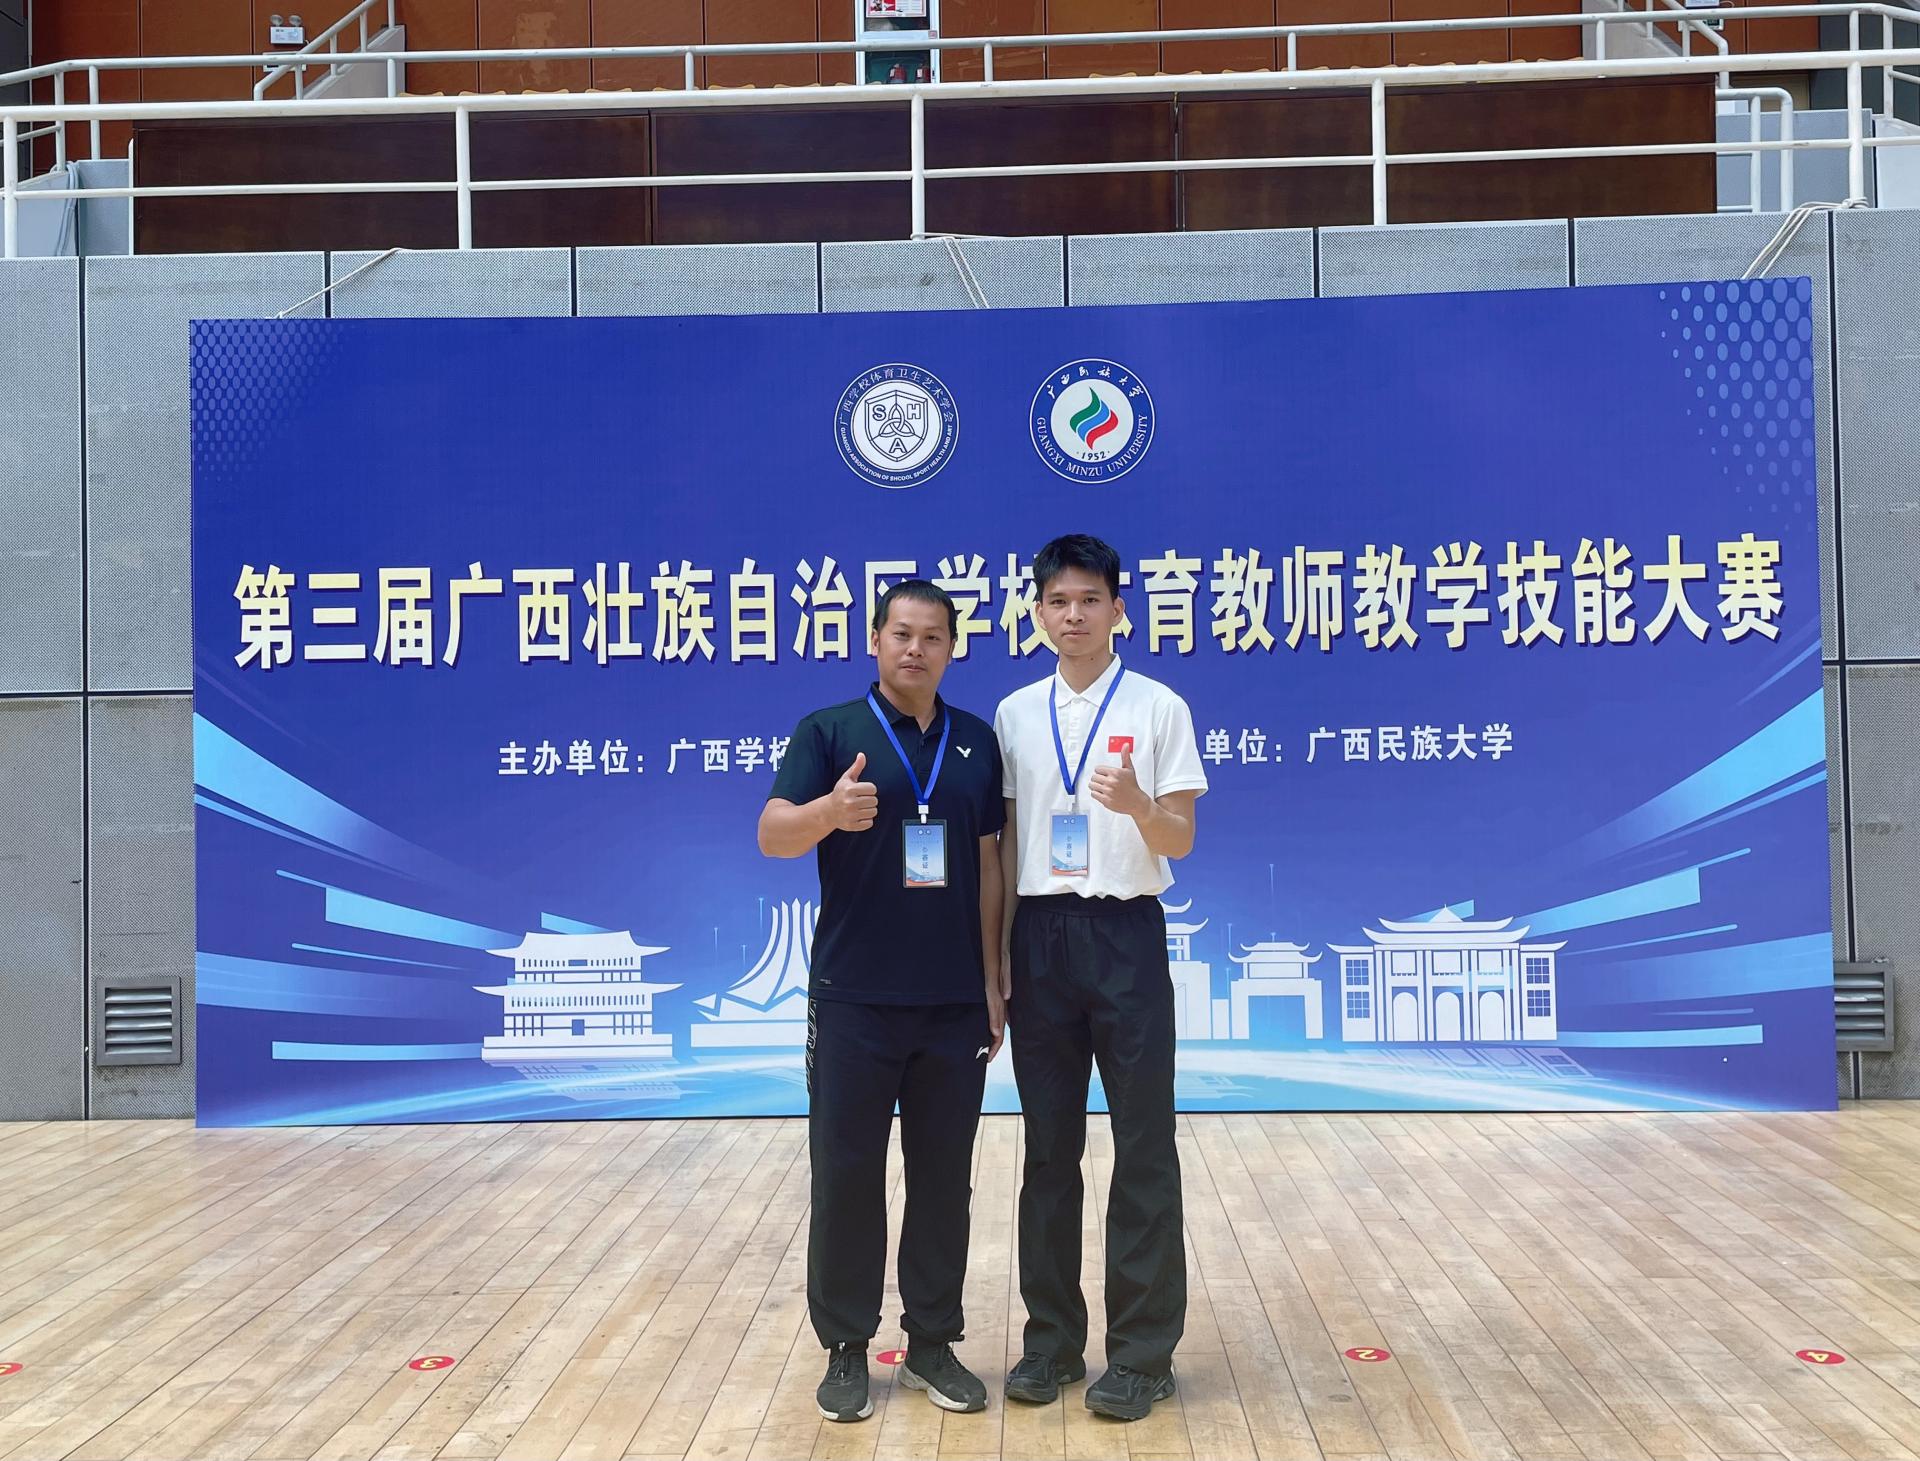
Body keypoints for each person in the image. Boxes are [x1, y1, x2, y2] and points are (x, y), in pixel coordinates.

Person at [758, 580, 1006, 1424]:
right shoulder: (829, 731)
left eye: (933, 636)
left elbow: (990, 866)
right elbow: (772, 833)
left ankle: (933, 1340)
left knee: (944, 1179)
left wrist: (992, 980)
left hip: (952, 1002)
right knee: (848, 1176)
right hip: (854, 998)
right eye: (901, 633)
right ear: (874, 639)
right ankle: (846, 1346)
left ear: (951, 649)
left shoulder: (976, 741)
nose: (915, 649)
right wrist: (829, 810)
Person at [991, 534, 1207, 1422]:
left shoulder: (1159, 706)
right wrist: (998, 957)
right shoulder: (1013, 713)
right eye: (1057, 600)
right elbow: (1004, 845)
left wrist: (1140, 805)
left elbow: (1181, 836)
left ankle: (1144, 1354)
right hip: (1039, 935)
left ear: (1120, 608)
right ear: (1039, 612)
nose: (1073, 614)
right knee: (1048, 1148)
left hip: (1124, 932)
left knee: (1143, 1144)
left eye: (1089, 599)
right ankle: (1050, 1341)